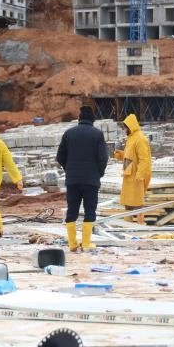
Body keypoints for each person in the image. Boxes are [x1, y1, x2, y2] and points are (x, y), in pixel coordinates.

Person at [57, 106, 109, 251]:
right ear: (93, 120)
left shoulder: (68, 133)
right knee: (89, 211)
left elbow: (60, 156)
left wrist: (69, 169)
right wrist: (99, 173)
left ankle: (72, 244)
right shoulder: (97, 134)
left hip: (72, 180)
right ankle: (86, 244)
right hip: (91, 180)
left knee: (72, 210)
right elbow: (103, 158)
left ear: (79, 119)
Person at [114, 113, 152, 225]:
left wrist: (140, 176)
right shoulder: (131, 138)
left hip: (136, 176)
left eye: (126, 127)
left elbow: (144, 160)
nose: (125, 129)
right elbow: (130, 155)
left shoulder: (140, 139)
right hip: (128, 176)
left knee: (138, 203)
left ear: (131, 126)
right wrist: (120, 155)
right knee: (128, 203)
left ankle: (140, 225)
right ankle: (128, 225)